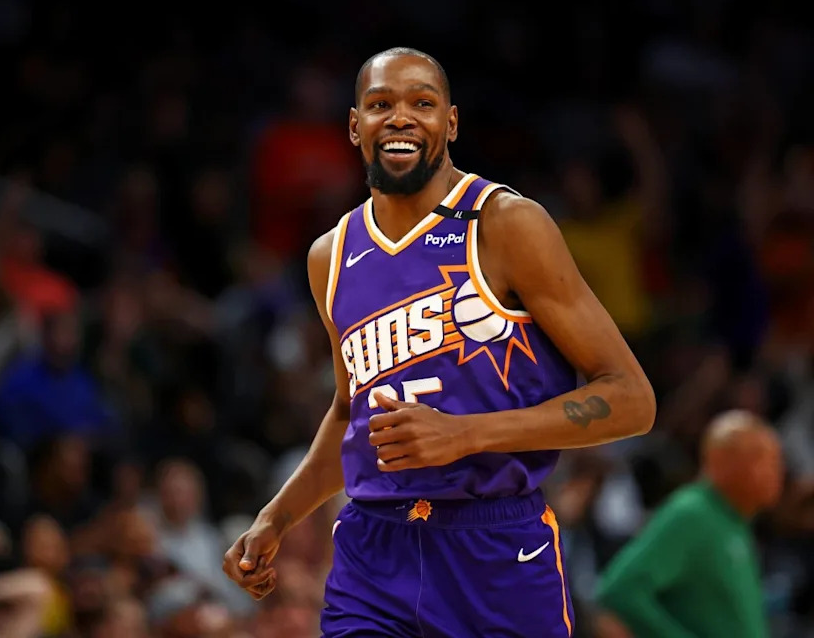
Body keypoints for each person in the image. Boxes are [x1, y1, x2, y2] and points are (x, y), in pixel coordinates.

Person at [222, 47, 656, 637]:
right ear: (355, 126)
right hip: (373, 553)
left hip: (496, 548)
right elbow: (350, 413)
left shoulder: (505, 224)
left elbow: (632, 399)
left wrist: (465, 435)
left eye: (421, 103)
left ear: (450, 123)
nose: (400, 117)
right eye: (381, 104)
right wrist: (276, 517)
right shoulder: (330, 255)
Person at [595, 410, 783, 638]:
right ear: (720, 461)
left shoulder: (735, 520)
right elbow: (620, 591)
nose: (775, 473)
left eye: (776, 462)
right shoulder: (692, 514)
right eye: (761, 459)